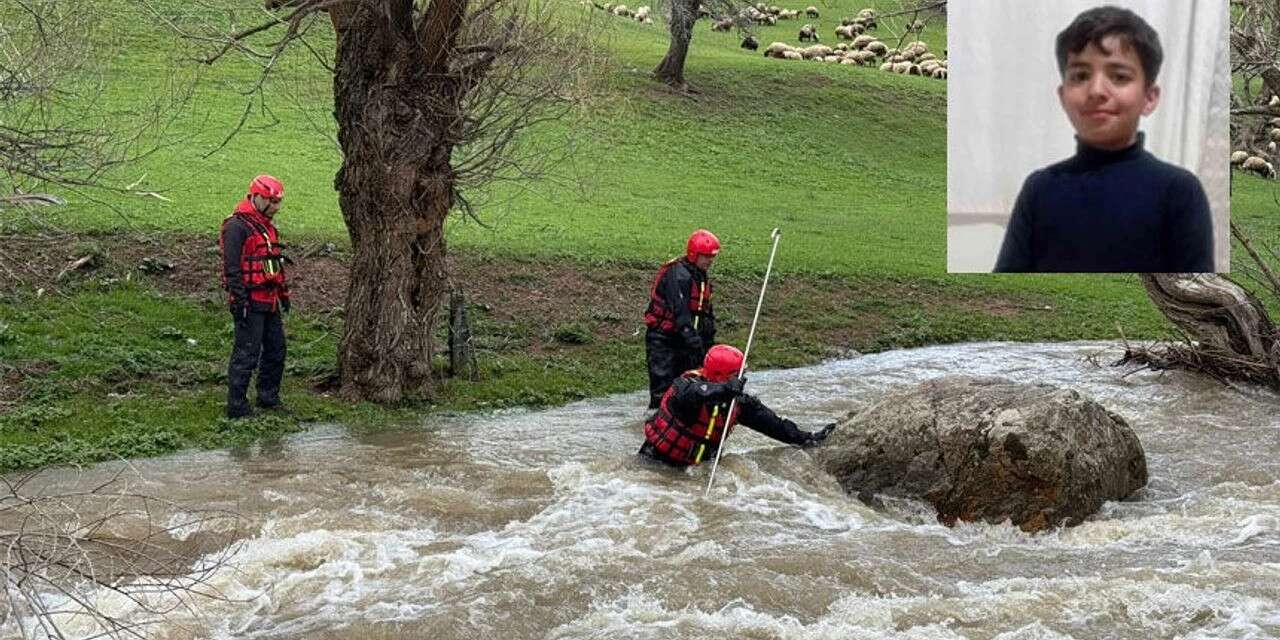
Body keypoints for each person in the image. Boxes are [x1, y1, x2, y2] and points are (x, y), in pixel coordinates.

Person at [994, 5, 1214, 273]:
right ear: (1063, 96)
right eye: (1081, 76)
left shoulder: (1179, 192)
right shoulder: (1039, 190)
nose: (1097, 90)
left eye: (1119, 76)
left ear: (1149, 97)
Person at [638, 345, 836, 468]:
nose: (742, 378)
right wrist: (725, 389)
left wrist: (809, 439)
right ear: (720, 375)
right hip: (654, 463)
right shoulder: (684, 388)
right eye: (737, 374)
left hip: (697, 468)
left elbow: (775, 426)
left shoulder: (738, 403)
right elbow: (700, 393)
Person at [220, 174, 291, 419]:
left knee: (276, 350)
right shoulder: (236, 227)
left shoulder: (267, 228)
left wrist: (283, 294)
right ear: (257, 196)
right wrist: (239, 301)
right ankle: (237, 407)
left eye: (278, 202)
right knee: (246, 353)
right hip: (249, 301)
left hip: (269, 299)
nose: (276, 207)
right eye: (272, 202)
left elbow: (272, 264)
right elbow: (232, 269)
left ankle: (268, 398)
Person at [643, 229, 719, 409]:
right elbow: (681, 313)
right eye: (706, 256)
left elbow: (704, 314)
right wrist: (695, 342)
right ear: (694, 254)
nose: (710, 260)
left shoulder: (699, 276)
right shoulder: (677, 275)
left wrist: (707, 346)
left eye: (712, 257)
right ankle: (655, 422)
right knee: (663, 388)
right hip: (664, 339)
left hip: (687, 340)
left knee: (689, 387)